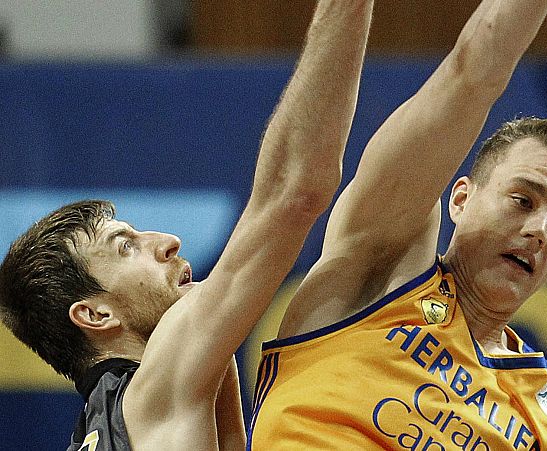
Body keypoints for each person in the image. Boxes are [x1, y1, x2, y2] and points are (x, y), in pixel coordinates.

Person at [0, 1, 373, 449]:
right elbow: (294, 194)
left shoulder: (104, 425)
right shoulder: (149, 395)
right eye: (125, 246)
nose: (169, 242)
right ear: (96, 315)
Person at [249, 0, 547, 450]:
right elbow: (472, 75)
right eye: (522, 200)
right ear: (461, 199)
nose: (539, 231)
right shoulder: (383, 268)